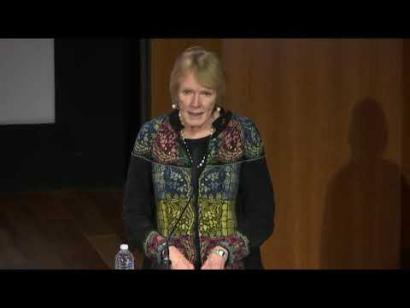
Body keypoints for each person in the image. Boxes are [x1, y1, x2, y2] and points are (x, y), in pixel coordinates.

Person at [123, 46, 275, 269]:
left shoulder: (244, 133)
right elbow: (133, 213)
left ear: (217, 95)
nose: (196, 103)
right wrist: (167, 252)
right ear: (176, 93)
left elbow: (262, 216)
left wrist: (224, 252)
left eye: (206, 93)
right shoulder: (151, 134)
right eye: (187, 92)